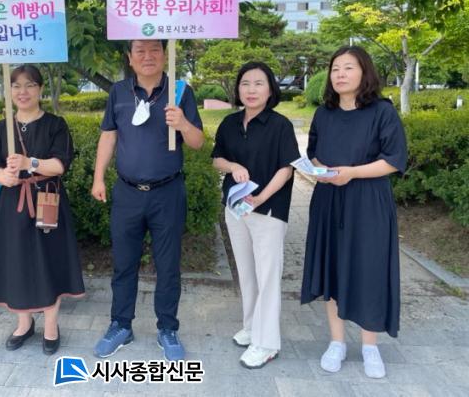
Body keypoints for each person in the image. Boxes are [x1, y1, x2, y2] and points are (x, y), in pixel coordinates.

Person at [91, 39, 204, 361]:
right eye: (140, 51)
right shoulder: (119, 92)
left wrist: (182, 124)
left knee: (168, 265)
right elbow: (109, 135)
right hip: (127, 192)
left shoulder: (180, 91)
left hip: (168, 192)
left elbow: (197, 142)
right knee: (123, 263)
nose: (147, 56)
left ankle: (167, 328)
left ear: (165, 55)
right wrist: (98, 177)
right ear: (130, 58)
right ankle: (121, 324)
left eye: (155, 49)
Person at [300, 46, 407, 379]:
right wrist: (322, 170)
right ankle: (337, 342)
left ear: (365, 72)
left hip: (368, 201)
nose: (340, 74)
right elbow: (314, 152)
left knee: (368, 269)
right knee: (332, 267)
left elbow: (393, 159)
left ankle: (370, 345)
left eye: (348, 67)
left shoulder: (382, 112)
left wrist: (352, 173)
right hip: (329, 199)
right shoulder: (324, 113)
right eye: (335, 68)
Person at [0, 64, 84, 356]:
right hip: (11, 204)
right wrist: (3, 176)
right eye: (16, 86)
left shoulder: (55, 124)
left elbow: (61, 164)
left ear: (39, 89)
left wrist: (30, 163)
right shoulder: (1, 128)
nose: (22, 92)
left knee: (50, 262)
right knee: (16, 261)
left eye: (29, 85)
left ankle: (51, 325)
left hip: (47, 199)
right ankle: (23, 323)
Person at [211, 62, 300, 369]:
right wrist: (233, 166)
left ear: (271, 89)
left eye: (259, 83)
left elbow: (287, 168)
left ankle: (267, 343)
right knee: (247, 272)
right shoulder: (230, 123)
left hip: (269, 210)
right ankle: (251, 327)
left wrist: (261, 197)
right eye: (245, 83)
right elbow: (217, 158)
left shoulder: (280, 125)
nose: (251, 89)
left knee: (268, 276)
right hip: (236, 208)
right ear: (238, 89)